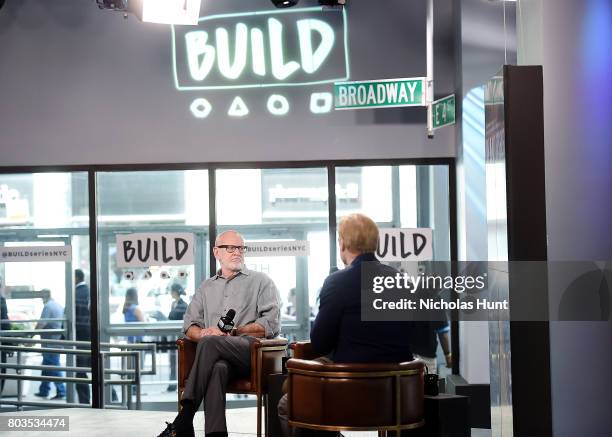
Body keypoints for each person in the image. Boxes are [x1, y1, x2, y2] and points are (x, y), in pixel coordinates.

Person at [278, 213, 417, 437]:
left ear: (342, 243)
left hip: (350, 389)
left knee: (288, 403)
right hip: (396, 393)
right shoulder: (402, 281)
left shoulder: (337, 282)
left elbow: (321, 342)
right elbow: (410, 334)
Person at [157, 230, 281, 437]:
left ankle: (185, 417)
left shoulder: (261, 281)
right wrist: (205, 333)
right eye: (230, 248)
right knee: (217, 368)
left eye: (240, 248)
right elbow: (189, 325)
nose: (237, 253)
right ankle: (216, 434)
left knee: (211, 343)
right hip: (217, 357)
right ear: (217, 252)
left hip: (250, 354)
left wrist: (233, 331)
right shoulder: (206, 287)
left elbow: (271, 324)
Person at [34, 290, 66, 400]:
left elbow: (42, 323)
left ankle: (61, 390)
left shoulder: (48, 306)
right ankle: (44, 390)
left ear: (44, 296)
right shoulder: (58, 305)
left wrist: (31, 337)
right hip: (56, 341)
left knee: (52, 366)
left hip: (50, 342)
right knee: (46, 366)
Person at [74, 269, 91, 404]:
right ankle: (111, 397)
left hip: (81, 338)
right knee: (99, 369)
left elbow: (72, 317)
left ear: (76, 277)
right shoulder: (90, 291)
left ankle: (84, 401)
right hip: (93, 337)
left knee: (80, 371)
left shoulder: (76, 294)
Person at [167, 283, 188, 392]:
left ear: (175, 292)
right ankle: (172, 383)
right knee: (172, 360)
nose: (170, 293)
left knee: (179, 361)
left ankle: (179, 383)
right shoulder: (174, 304)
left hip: (179, 337)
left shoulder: (183, 306)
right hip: (173, 337)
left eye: (171, 291)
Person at [0, 276, 11, 394]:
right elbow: (5, 322)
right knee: (2, 370)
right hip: (1, 341)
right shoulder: (1, 300)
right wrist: (8, 343)